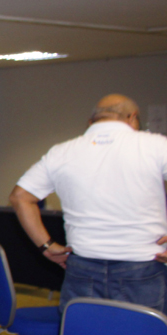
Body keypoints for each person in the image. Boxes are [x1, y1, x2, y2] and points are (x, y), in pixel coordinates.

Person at [10, 94, 167, 313]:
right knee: (142, 334)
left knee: (84, 333)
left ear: (91, 121)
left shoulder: (62, 152)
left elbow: (20, 197)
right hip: (143, 265)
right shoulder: (156, 145)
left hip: (82, 266)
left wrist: (46, 246)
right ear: (132, 117)